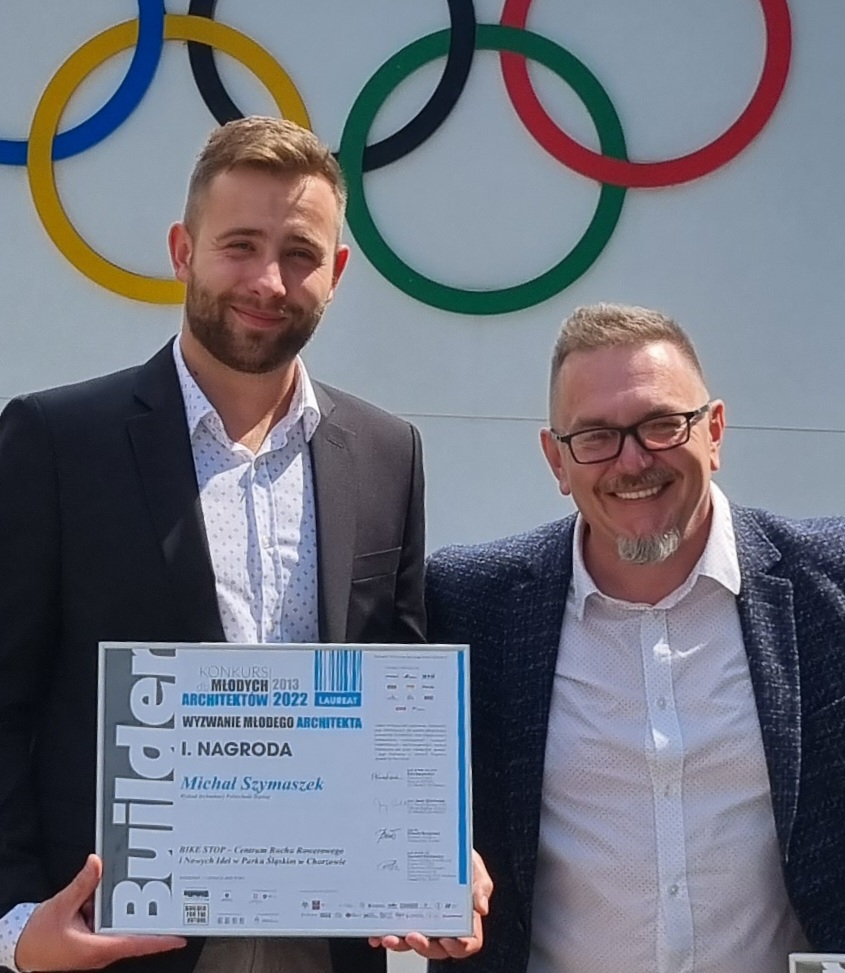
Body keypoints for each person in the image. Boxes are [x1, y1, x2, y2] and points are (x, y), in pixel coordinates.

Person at [0, 116, 489, 973]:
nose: (268, 280)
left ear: (336, 273)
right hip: (118, 946)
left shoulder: (387, 454)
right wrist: (12, 925)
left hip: (327, 944)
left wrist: (435, 853)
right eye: (240, 246)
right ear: (183, 250)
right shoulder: (57, 440)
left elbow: (399, 698)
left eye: (300, 254)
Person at [426, 303, 845, 973]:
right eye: (595, 435)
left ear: (713, 431)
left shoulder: (830, 584)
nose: (633, 460)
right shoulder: (472, 603)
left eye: (660, 424)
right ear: (556, 459)